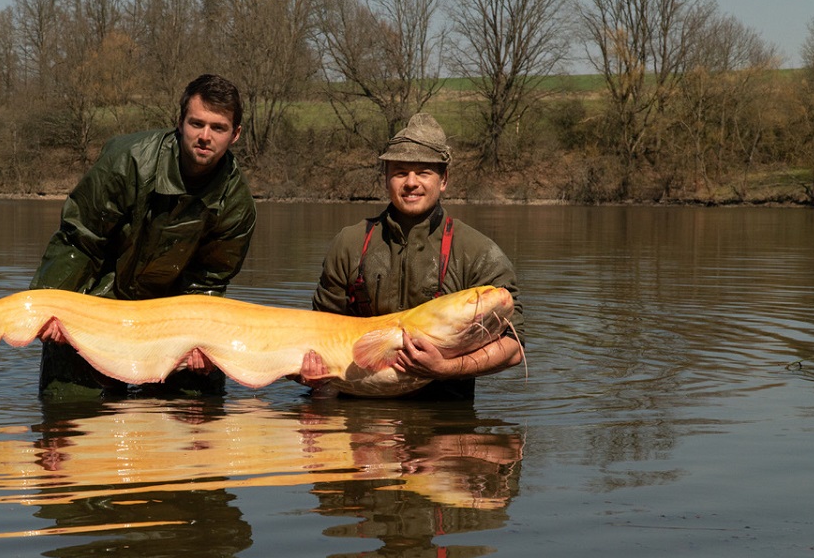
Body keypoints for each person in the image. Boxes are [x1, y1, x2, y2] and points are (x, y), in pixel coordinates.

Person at [30, 74, 257, 399]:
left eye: (218, 128)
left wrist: (201, 343)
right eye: (196, 124)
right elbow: (79, 241)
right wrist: (49, 306)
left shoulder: (237, 203)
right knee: (66, 418)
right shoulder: (128, 161)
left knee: (199, 409)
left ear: (234, 135)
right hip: (96, 306)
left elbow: (208, 283)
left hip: (173, 324)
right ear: (180, 123)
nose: (205, 136)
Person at [305, 113, 523, 400]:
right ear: (386, 178)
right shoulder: (348, 243)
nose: (411, 182)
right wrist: (310, 371)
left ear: (443, 179)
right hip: (355, 413)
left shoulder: (478, 252)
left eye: (423, 172)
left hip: (443, 414)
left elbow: (512, 348)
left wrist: (446, 368)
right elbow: (320, 329)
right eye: (400, 171)